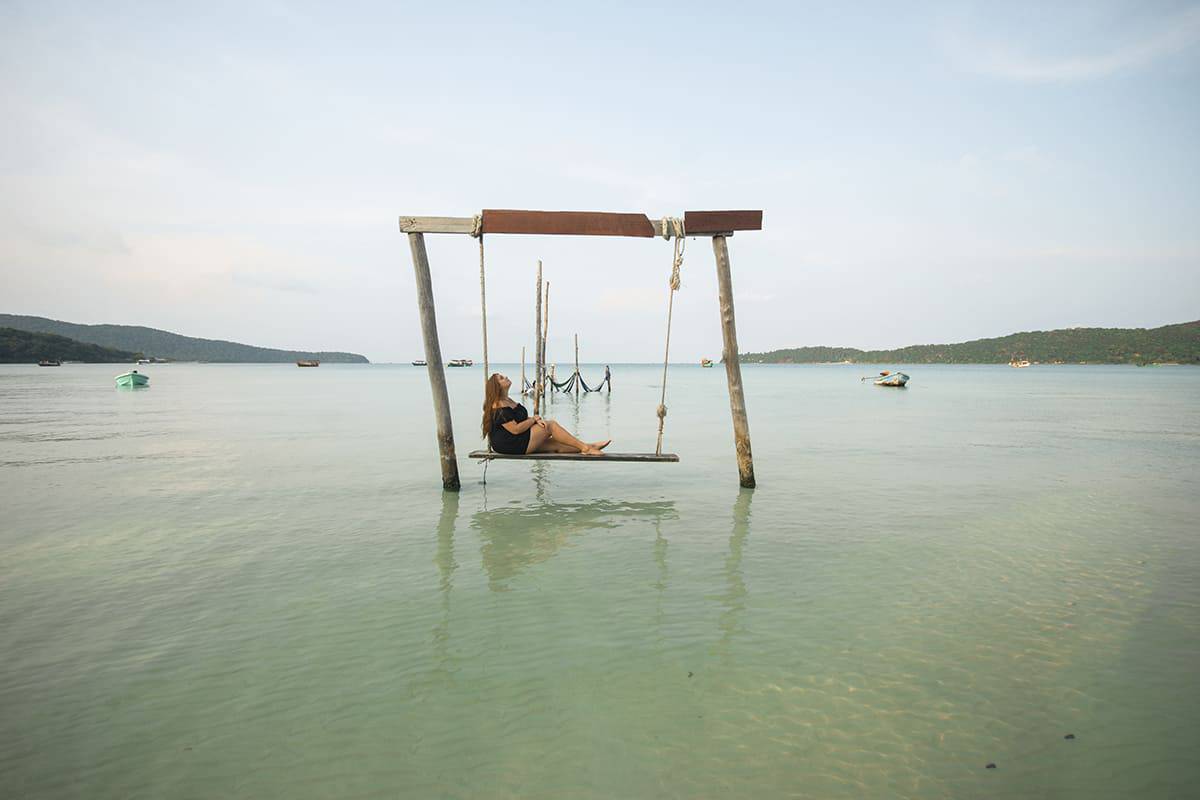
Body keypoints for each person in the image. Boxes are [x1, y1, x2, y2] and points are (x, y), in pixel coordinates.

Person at [482, 373, 610, 455]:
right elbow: (515, 429)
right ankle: (585, 448)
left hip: (517, 439)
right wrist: (534, 420)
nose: (506, 376)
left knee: (555, 445)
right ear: (497, 386)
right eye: (502, 378)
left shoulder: (508, 401)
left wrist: (534, 419)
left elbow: (520, 420)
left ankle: (590, 446)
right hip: (509, 444)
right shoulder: (498, 405)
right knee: (551, 426)